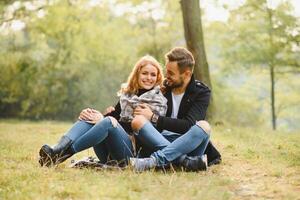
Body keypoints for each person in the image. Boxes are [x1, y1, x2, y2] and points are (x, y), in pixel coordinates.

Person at [38, 55, 167, 167]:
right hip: (109, 153)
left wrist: (105, 119)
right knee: (92, 115)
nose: (149, 78)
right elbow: (113, 117)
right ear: (137, 74)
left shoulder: (158, 100)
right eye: (144, 73)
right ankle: (58, 148)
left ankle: (63, 154)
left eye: (153, 74)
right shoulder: (128, 96)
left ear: (158, 77)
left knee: (108, 121)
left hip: (133, 156)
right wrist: (96, 116)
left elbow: (139, 130)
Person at [129, 47, 221, 172]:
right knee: (138, 121)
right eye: (167, 72)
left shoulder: (201, 92)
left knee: (204, 126)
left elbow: (188, 125)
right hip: (158, 140)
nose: (167, 76)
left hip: (187, 143)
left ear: (187, 74)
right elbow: (133, 95)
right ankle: (185, 162)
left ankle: (154, 161)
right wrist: (114, 111)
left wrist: (154, 117)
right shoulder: (161, 87)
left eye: (171, 73)